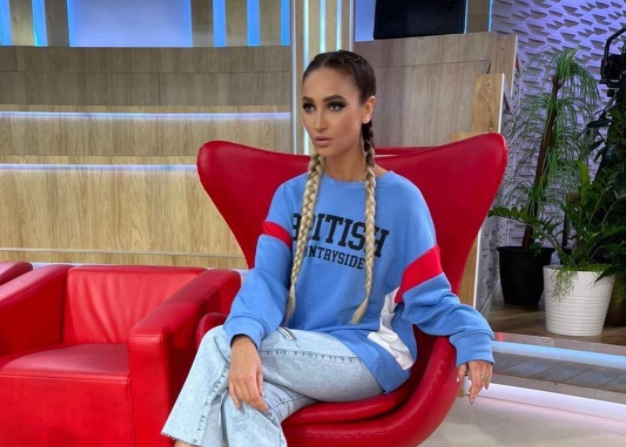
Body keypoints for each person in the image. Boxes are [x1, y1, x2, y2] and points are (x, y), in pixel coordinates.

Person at [161, 49, 495, 447]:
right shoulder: (290, 197)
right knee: (242, 403)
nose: (318, 122)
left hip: (368, 356)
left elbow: (430, 296)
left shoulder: (402, 201)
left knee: (221, 342)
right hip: (301, 351)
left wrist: (473, 333)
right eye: (309, 106)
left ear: (366, 109)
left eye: (334, 106)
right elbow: (266, 281)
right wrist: (247, 338)